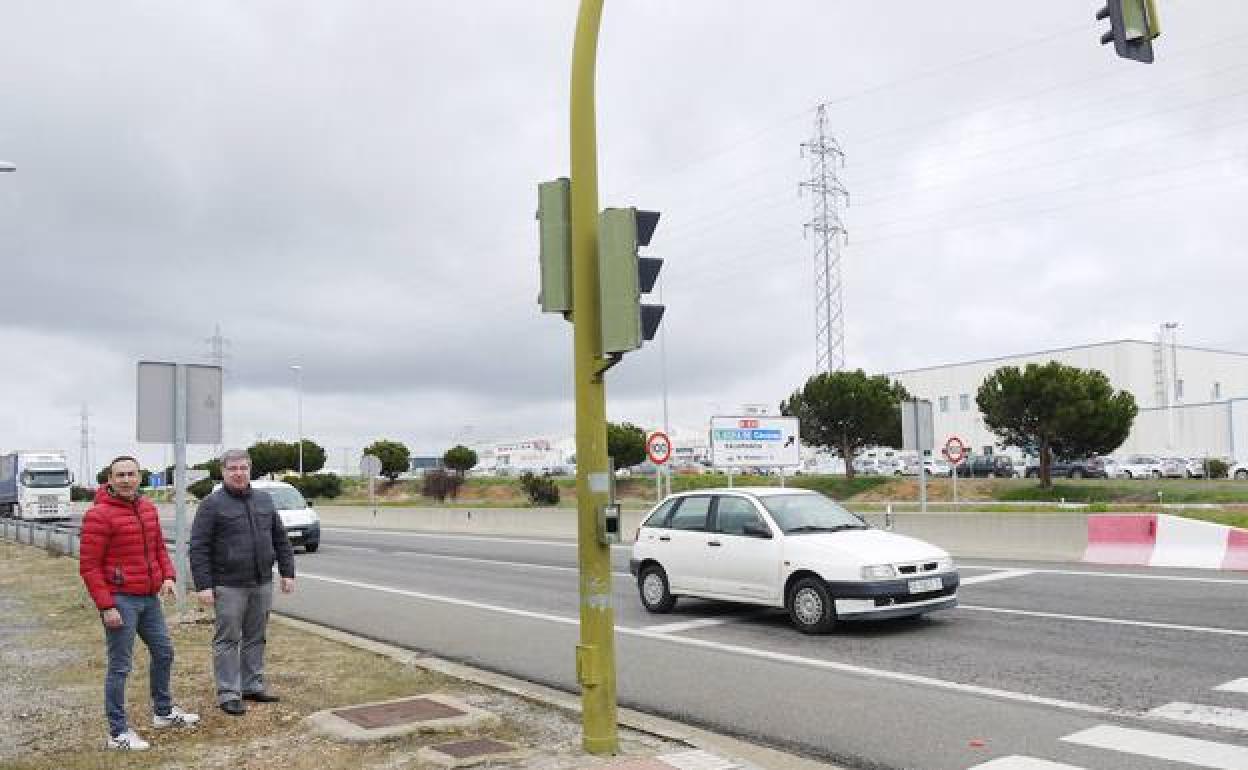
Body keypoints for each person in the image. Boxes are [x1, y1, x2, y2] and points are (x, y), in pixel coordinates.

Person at [79, 456, 200, 750]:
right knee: (120, 667)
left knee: (164, 652)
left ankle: (163, 712)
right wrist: (106, 606)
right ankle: (118, 733)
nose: (126, 480)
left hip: (149, 597)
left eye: (131, 474)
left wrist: (168, 576)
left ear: (140, 476)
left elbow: (158, 546)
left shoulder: (147, 508)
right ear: (109, 479)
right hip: (120, 599)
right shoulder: (99, 515)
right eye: (119, 475)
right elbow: (89, 567)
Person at [189, 448, 295, 715]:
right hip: (228, 584)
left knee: (256, 637)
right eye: (232, 469)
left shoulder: (264, 501)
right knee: (227, 639)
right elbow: (199, 547)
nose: (238, 473)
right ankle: (228, 692)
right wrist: (203, 585)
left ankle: (252, 685)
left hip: (261, 582)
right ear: (223, 472)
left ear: (250, 470)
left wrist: (287, 572)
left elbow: (280, 538)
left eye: (243, 468)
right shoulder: (212, 504)